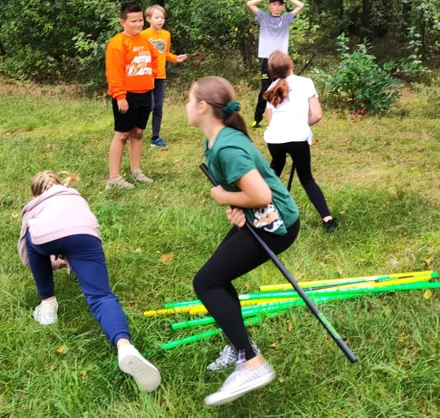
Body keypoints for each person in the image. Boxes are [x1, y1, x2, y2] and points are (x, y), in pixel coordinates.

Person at [186, 76, 301, 406]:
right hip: (261, 217)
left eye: (189, 99)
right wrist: (239, 205)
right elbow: (250, 193)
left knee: (207, 282)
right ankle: (240, 347)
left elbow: (262, 194)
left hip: (275, 225)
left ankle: (253, 363)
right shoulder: (216, 141)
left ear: (203, 107)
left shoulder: (227, 146)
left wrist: (225, 198)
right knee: (217, 277)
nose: (186, 105)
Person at [18, 171, 161, 392]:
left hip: (45, 238)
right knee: (101, 296)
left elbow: (29, 255)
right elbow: (75, 230)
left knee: (31, 236)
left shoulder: (34, 205)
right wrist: (73, 260)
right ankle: (125, 347)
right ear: (60, 184)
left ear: (36, 192)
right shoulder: (75, 196)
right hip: (85, 235)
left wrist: (52, 262)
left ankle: (48, 304)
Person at [262, 50, 337, 233]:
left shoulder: (271, 88)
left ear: (272, 70)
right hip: (297, 137)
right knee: (307, 179)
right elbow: (317, 115)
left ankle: (260, 212)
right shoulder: (305, 83)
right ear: (290, 64)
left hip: (275, 138)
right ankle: (328, 220)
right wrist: (303, 124)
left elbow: (271, 120)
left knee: (273, 173)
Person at [104, 1, 158, 188]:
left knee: (138, 132)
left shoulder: (145, 40)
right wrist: (120, 96)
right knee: (121, 135)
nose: (138, 24)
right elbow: (114, 73)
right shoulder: (117, 43)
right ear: (123, 22)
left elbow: (152, 62)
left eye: (140, 20)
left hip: (145, 93)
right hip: (127, 96)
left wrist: (152, 82)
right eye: (133, 21)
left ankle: (136, 171)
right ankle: (114, 178)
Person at [245, 0, 304, 128]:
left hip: (281, 60)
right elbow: (249, 3)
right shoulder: (263, 17)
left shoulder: (286, 18)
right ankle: (257, 119)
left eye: (279, 5)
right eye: (274, 4)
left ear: (283, 7)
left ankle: (283, 118)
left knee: (283, 88)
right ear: (270, 6)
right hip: (267, 58)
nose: (276, 7)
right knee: (265, 90)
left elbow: (300, 5)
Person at [141, 4, 188, 148]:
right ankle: (135, 132)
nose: (160, 20)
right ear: (148, 19)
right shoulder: (143, 35)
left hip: (160, 76)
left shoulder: (166, 34)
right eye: (157, 17)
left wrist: (175, 58)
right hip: (146, 76)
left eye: (162, 18)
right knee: (147, 106)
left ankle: (155, 137)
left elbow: (165, 53)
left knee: (158, 106)